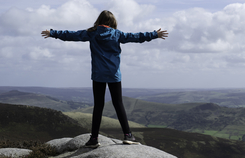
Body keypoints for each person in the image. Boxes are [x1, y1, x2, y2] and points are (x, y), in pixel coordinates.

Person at [41, 10, 168, 148]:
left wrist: (53, 33)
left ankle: (94, 139)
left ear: (99, 20)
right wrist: (154, 34)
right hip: (114, 74)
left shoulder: (92, 32)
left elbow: (72, 35)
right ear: (112, 22)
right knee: (118, 104)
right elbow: (136, 37)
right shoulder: (116, 34)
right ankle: (127, 135)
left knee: (98, 106)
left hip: (98, 75)